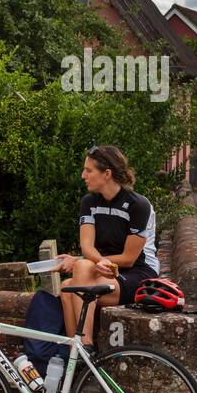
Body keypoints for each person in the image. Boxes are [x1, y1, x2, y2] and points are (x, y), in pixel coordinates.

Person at [58, 145, 159, 349]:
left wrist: (85, 262)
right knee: (67, 288)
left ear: (107, 174)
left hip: (138, 273)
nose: (83, 175)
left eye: (88, 170)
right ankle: (76, 354)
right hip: (103, 270)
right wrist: (93, 262)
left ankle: (84, 346)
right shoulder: (89, 202)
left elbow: (129, 258)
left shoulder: (138, 205)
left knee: (79, 273)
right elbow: (87, 247)